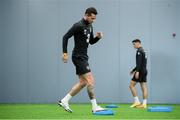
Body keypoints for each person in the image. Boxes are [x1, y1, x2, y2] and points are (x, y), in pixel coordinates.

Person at [58, 7, 105, 113]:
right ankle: (94, 107)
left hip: (84, 57)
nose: (93, 20)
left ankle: (64, 100)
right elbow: (65, 37)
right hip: (78, 57)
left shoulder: (90, 25)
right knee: (91, 81)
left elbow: (91, 42)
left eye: (94, 18)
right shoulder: (78, 25)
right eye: (92, 18)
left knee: (83, 82)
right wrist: (65, 53)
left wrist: (98, 37)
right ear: (87, 15)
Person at [129, 39, 148, 108]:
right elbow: (142, 63)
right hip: (144, 70)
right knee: (144, 87)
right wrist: (133, 70)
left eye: (134, 44)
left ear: (138, 43)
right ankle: (144, 104)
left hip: (140, 71)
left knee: (131, 85)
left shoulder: (139, 51)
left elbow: (139, 63)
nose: (133, 46)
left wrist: (137, 71)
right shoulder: (144, 51)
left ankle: (137, 102)